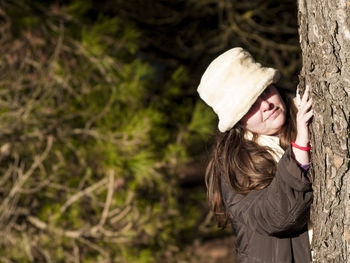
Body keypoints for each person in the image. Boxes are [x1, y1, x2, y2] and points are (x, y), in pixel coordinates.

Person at [197, 47, 313, 263]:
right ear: (238, 119)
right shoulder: (234, 167)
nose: (266, 105)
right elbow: (278, 216)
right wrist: (299, 153)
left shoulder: (309, 112)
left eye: (265, 91)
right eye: (252, 105)